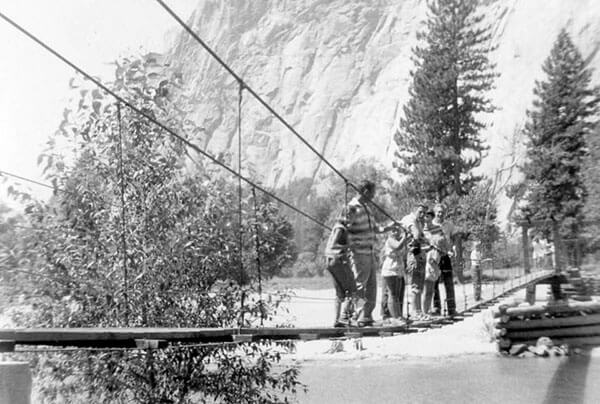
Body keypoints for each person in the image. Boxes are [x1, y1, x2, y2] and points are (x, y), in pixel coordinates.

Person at [346, 180, 395, 327]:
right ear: (365, 192)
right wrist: (350, 247)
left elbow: (376, 229)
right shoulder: (351, 207)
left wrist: (390, 227)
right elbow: (343, 228)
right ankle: (355, 314)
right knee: (360, 286)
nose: (373, 197)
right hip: (358, 253)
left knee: (372, 286)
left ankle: (366, 316)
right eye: (372, 194)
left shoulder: (367, 208)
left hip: (369, 251)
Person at [324, 216, 356, 327]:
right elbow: (334, 244)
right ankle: (345, 318)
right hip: (338, 260)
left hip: (330, 261)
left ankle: (337, 320)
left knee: (339, 293)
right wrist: (349, 246)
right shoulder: (340, 228)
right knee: (351, 289)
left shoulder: (337, 228)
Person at [400, 202, 428, 319]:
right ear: (414, 210)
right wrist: (422, 237)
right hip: (412, 254)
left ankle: (419, 311)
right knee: (415, 284)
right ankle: (415, 312)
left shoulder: (419, 222)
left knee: (420, 285)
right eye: (420, 212)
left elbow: (423, 238)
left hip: (419, 253)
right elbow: (416, 235)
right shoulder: (409, 219)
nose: (422, 215)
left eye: (424, 213)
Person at [431, 203, 459, 317]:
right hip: (434, 255)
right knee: (434, 282)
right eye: (438, 212)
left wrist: (454, 247)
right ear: (435, 212)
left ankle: (452, 308)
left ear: (444, 213)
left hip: (446, 255)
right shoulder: (430, 224)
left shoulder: (449, 225)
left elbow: (455, 236)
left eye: (442, 212)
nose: (440, 214)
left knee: (448, 282)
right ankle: (436, 307)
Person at [380, 226, 408, 324]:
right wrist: (405, 237)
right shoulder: (390, 240)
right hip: (390, 269)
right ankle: (394, 317)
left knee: (397, 294)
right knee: (392, 294)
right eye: (393, 230)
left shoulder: (400, 240)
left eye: (397, 230)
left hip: (398, 269)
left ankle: (398, 315)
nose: (395, 232)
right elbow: (397, 246)